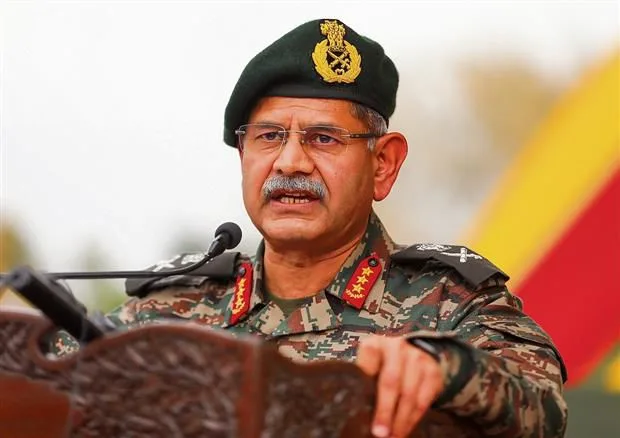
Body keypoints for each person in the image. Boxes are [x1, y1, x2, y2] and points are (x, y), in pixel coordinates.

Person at [54, 18, 568, 437]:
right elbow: (43, 376)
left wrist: (443, 368)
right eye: (269, 137)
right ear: (243, 156)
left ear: (383, 164)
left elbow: (543, 407)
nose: (290, 162)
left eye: (323, 139)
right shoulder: (172, 309)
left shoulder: (447, 304)